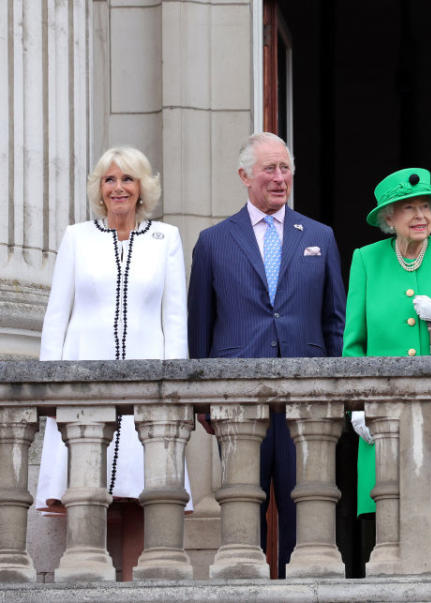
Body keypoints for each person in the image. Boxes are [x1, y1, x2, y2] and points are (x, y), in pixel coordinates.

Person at [187, 132, 346, 578]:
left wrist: (338, 390)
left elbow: (336, 321)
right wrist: (204, 400)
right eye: (270, 169)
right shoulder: (213, 241)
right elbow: (200, 326)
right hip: (239, 399)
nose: (280, 178)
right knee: (242, 509)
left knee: (308, 507)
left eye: (286, 169)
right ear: (245, 176)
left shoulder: (320, 236)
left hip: (307, 399)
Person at [37, 145, 190, 580]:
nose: (118, 187)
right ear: (99, 189)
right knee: (84, 491)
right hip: (83, 384)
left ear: (142, 188)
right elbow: (56, 317)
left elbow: (174, 320)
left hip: (147, 389)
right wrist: (50, 387)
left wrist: (176, 391)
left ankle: (137, 589)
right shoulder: (76, 238)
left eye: (127, 179)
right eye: (110, 179)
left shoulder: (166, 240)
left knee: (143, 493)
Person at [344, 167, 431, 570]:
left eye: (425, 206)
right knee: (386, 520)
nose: (420, 215)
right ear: (388, 218)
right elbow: (353, 343)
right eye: (408, 208)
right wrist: (356, 403)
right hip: (384, 414)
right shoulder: (366, 261)